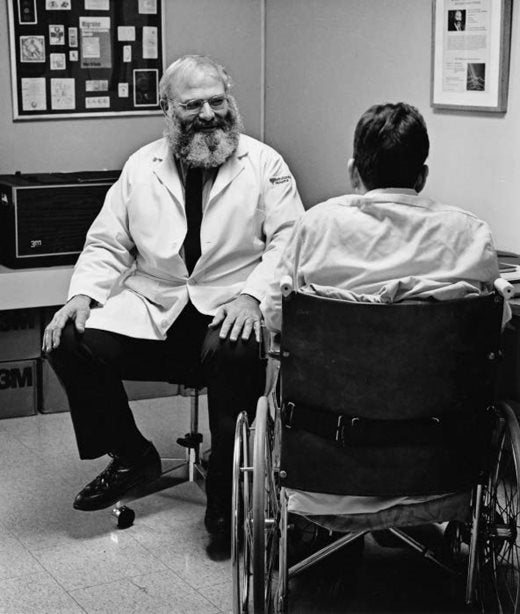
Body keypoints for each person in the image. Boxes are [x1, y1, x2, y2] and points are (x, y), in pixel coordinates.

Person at [44, 54, 304, 558]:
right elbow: (107, 242)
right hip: (155, 307)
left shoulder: (265, 164)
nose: (209, 113)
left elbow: (290, 244)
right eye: (193, 104)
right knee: (68, 340)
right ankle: (132, 455)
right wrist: (82, 296)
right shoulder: (142, 166)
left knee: (234, 350)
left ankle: (225, 503)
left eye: (218, 100)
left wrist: (252, 297)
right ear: (167, 109)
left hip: (230, 309)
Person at [262, 101, 504, 332]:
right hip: (437, 374)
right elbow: (496, 320)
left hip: (332, 373)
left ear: (354, 172)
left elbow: (275, 315)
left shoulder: (315, 225)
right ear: (422, 176)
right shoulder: (471, 232)